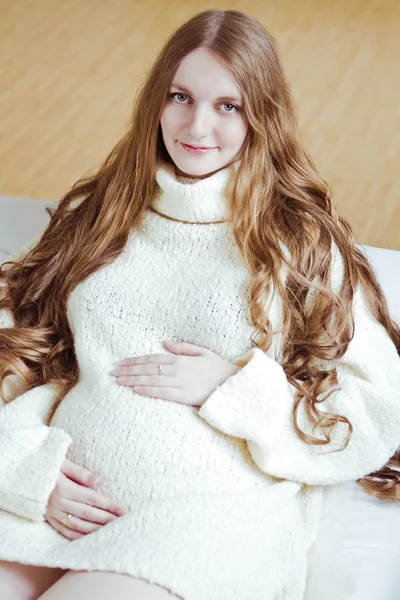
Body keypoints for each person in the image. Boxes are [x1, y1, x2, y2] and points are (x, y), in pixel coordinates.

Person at [0, 8, 399, 600]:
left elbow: (373, 405)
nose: (196, 125)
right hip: (58, 496)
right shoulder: (101, 210)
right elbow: (19, 327)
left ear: (261, 115)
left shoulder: (298, 237)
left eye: (227, 106)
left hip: (202, 514)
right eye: (180, 96)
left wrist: (235, 385)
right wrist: (25, 469)